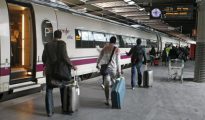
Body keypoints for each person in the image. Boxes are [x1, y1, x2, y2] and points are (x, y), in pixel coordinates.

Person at [42, 30, 77, 117]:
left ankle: (49, 112)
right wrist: (72, 65)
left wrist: (47, 65)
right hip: (60, 71)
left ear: (53, 36)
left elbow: (43, 58)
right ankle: (64, 108)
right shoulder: (62, 44)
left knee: (49, 90)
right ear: (60, 36)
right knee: (63, 89)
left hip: (50, 71)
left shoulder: (47, 44)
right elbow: (65, 57)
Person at [96, 36, 121, 106]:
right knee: (114, 84)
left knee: (106, 85)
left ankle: (107, 100)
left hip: (106, 69)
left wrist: (97, 64)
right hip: (113, 69)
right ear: (115, 42)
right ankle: (114, 99)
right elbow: (118, 62)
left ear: (109, 41)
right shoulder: (117, 49)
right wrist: (119, 71)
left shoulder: (105, 48)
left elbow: (100, 57)